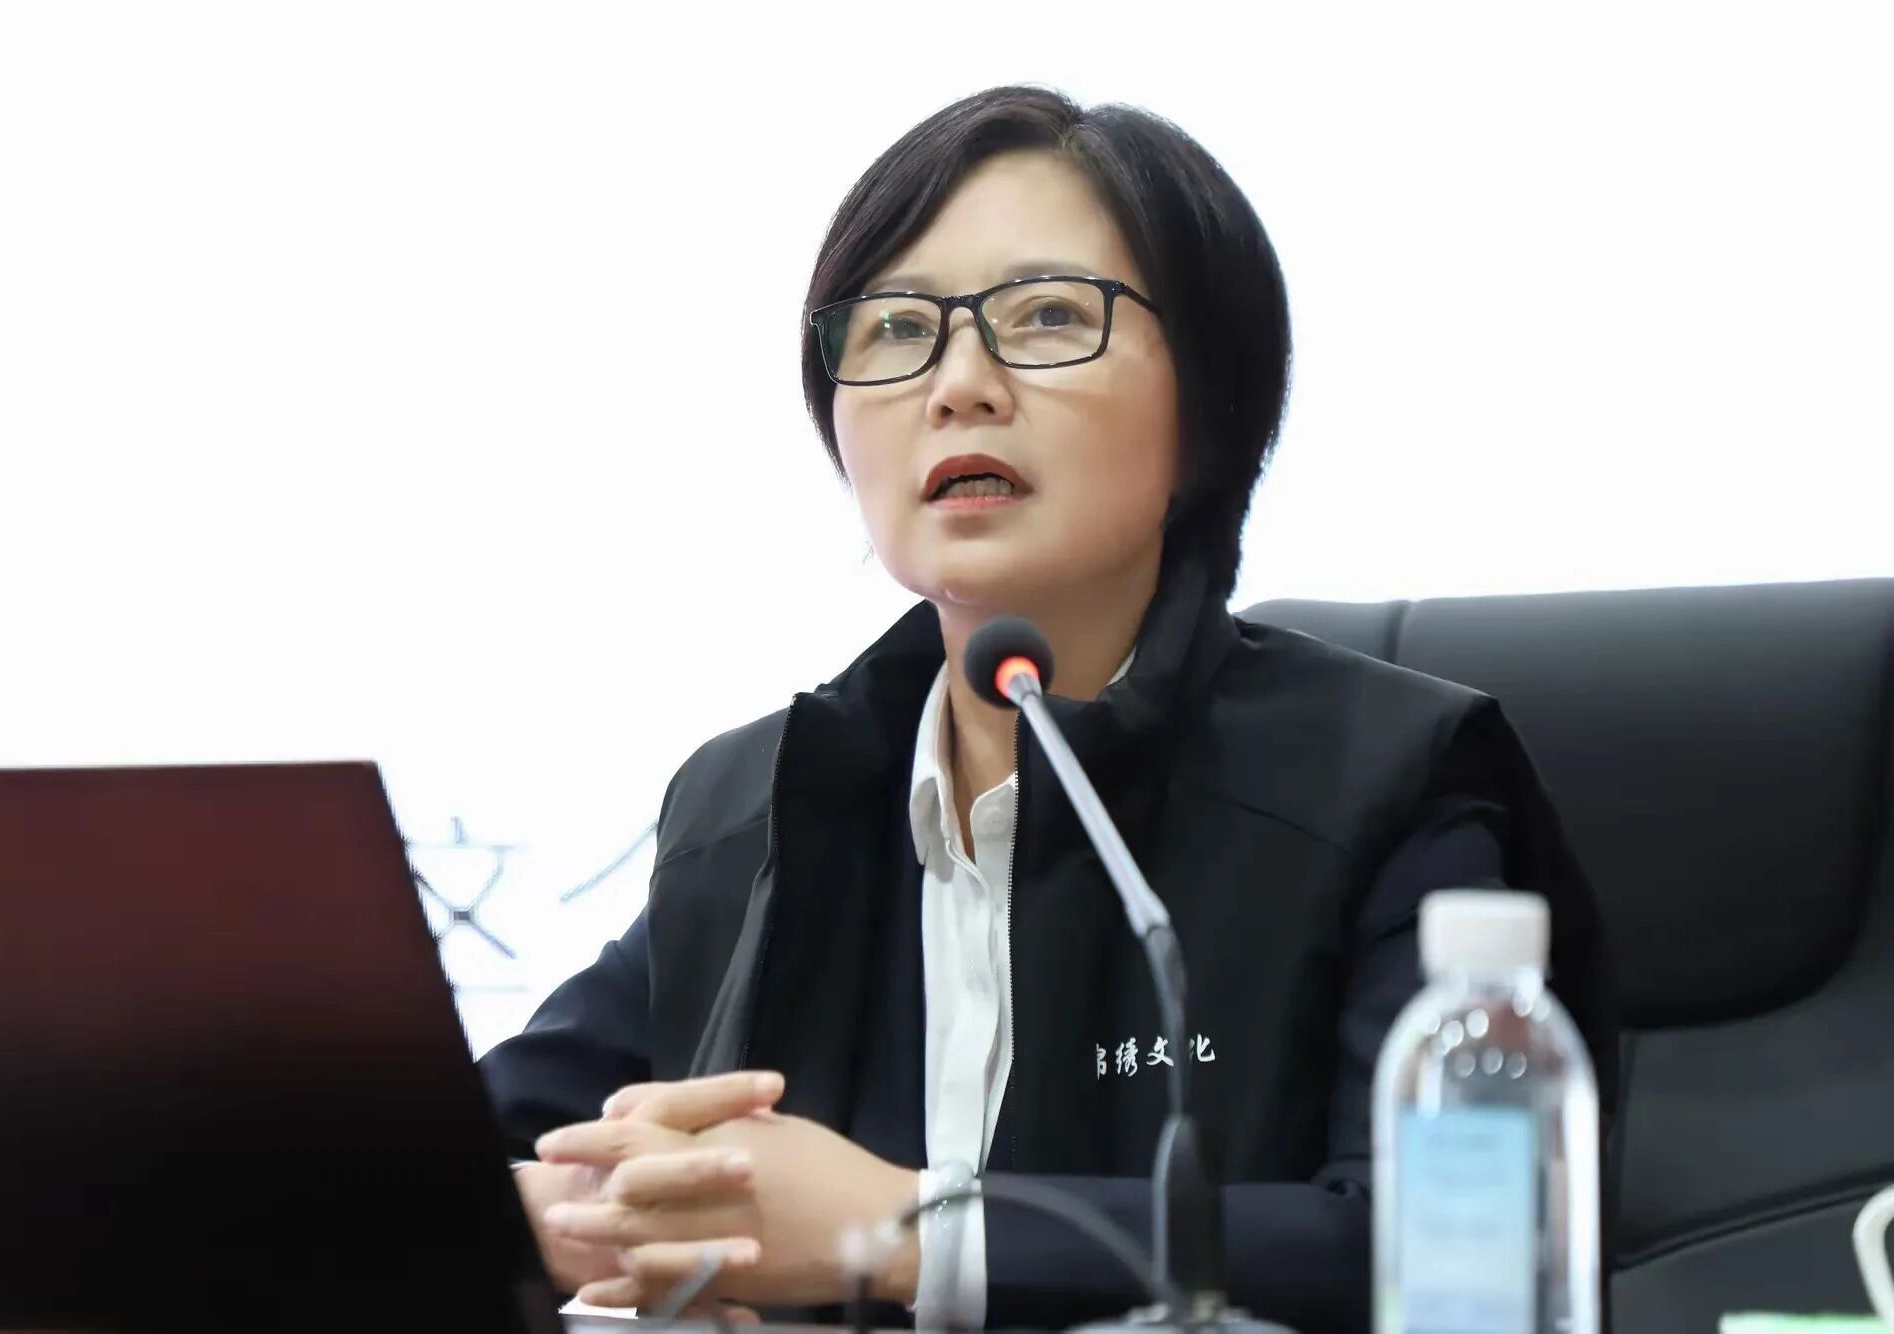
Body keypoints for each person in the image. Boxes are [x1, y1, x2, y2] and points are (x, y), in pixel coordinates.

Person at [480, 84, 1619, 1333]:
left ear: (1207, 402)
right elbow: (448, 1148)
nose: (957, 385)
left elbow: (1452, 1251)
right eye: (896, 328)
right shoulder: (760, 799)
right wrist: (564, 1213)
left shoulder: (1387, 777)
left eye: (1048, 316)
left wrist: (913, 1233)